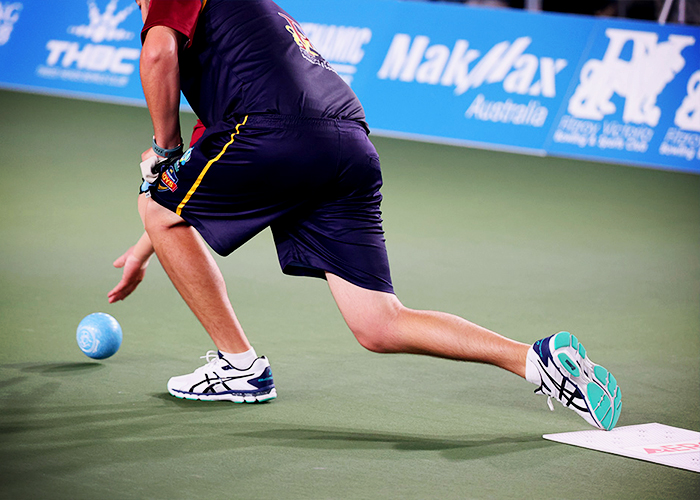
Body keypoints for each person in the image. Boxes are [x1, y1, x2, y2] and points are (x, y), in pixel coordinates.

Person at [108, 0, 621, 430]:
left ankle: (240, 367)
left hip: (274, 129)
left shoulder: (175, 13)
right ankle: (536, 359)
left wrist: (163, 147)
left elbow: (157, 55)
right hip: (347, 141)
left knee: (154, 200)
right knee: (379, 322)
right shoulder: (243, 43)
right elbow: (191, 189)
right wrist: (145, 246)